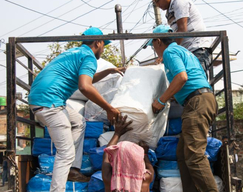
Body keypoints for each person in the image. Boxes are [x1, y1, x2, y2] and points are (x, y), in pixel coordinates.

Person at [28, 27, 125, 192]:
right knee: (65, 153)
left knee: (79, 121)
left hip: (42, 100)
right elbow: (85, 86)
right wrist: (109, 108)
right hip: (50, 104)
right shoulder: (88, 56)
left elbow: (88, 79)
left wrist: (109, 71)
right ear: (98, 42)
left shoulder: (75, 53)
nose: (103, 49)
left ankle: (73, 169)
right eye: (104, 45)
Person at [149, 25, 218, 192]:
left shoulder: (170, 52)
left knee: (194, 156)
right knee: (183, 154)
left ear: (158, 41)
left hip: (197, 102)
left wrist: (161, 100)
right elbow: (187, 80)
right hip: (201, 100)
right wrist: (171, 96)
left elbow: (182, 77)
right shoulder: (184, 52)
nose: (154, 49)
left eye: (153, 45)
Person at [153, 0, 212, 74]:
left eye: (157, 1)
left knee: (195, 77)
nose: (157, 5)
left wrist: (169, 52)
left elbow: (182, 29)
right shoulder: (170, 11)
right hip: (187, 51)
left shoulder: (179, 2)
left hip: (197, 47)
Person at [102, 115, 154, 192]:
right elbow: (151, 170)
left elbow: (107, 154)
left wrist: (117, 133)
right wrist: (145, 154)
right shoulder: (145, 178)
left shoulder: (109, 178)